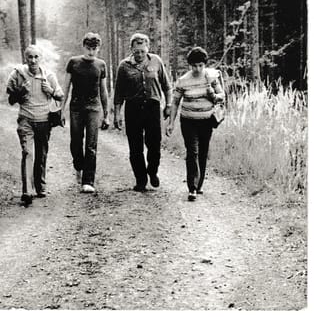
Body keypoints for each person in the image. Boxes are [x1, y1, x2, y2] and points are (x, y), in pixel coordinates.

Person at [113, 33, 172, 192]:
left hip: (152, 107)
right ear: (131, 49)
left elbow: (166, 86)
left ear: (147, 49)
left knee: (155, 144)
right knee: (135, 147)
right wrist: (117, 114)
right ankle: (141, 179)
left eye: (142, 51)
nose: (139, 54)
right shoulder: (124, 66)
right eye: (136, 51)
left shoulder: (156, 61)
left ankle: (152, 172)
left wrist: (169, 104)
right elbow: (119, 93)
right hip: (133, 108)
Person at [6, 45, 64, 207]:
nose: (33, 60)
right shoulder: (17, 75)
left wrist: (51, 91)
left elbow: (60, 95)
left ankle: (40, 187)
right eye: (30, 57)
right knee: (27, 152)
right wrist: (20, 91)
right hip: (25, 120)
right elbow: (10, 100)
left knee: (41, 154)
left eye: (36, 57)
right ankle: (27, 191)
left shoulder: (48, 75)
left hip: (45, 120)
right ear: (25, 58)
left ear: (41, 58)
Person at [165, 46, 225, 201]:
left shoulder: (211, 77)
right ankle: (191, 187)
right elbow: (175, 102)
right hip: (188, 121)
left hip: (206, 121)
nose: (198, 68)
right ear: (189, 65)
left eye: (201, 65)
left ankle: (199, 185)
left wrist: (212, 93)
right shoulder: (183, 80)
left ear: (204, 64)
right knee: (193, 152)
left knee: (203, 152)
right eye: (194, 65)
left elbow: (222, 96)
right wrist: (171, 123)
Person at [62, 32, 109, 193]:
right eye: (88, 48)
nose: (91, 52)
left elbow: (103, 91)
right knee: (76, 141)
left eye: (94, 49)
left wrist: (106, 114)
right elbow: (66, 88)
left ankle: (88, 181)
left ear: (98, 49)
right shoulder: (73, 63)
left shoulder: (101, 65)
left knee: (91, 145)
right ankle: (78, 166)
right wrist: (61, 111)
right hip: (76, 107)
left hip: (93, 108)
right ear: (83, 47)